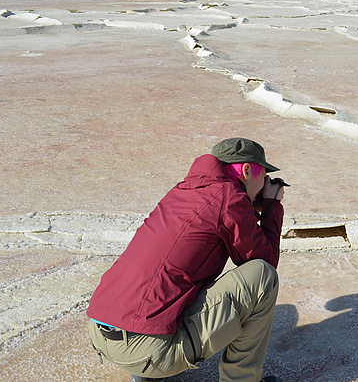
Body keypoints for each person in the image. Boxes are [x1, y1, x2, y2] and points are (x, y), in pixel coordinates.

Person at [86, 137, 289, 382]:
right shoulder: (229, 196)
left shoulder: (183, 190)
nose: (265, 183)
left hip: (102, 333)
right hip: (146, 350)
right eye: (263, 175)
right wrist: (271, 206)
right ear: (247, 170)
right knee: (263, 277)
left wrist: (251, 203)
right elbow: (263, 259)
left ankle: (146, 375)